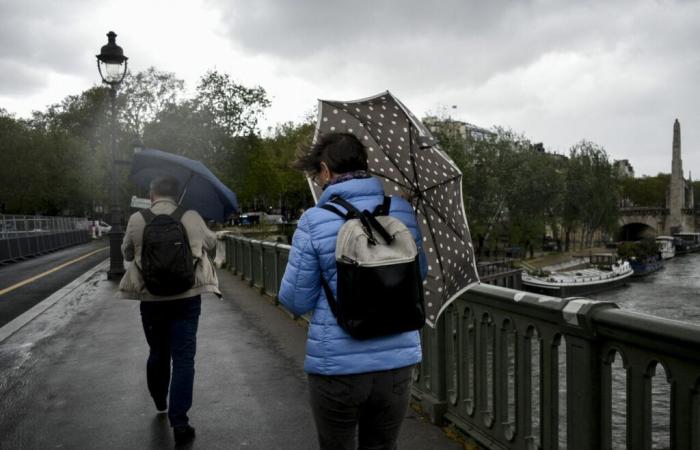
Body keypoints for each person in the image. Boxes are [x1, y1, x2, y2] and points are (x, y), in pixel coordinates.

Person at [279, 133, 428, 450]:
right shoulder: (400, 210)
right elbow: (420, 273)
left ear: (325, 171)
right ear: (366, 166)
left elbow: (295, 300)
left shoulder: (314, 221)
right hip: (397, 364)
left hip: (337, 367)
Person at [118, 175, 220, 445]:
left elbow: (127, 254)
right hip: (186, 298)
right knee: (184, 359)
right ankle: (180, 421)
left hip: (151, 300)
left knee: (157, 352)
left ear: (151, 194)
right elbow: (212, 244)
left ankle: (160, 400)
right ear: (176, 195)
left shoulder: (137, 219)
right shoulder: (191, 216)